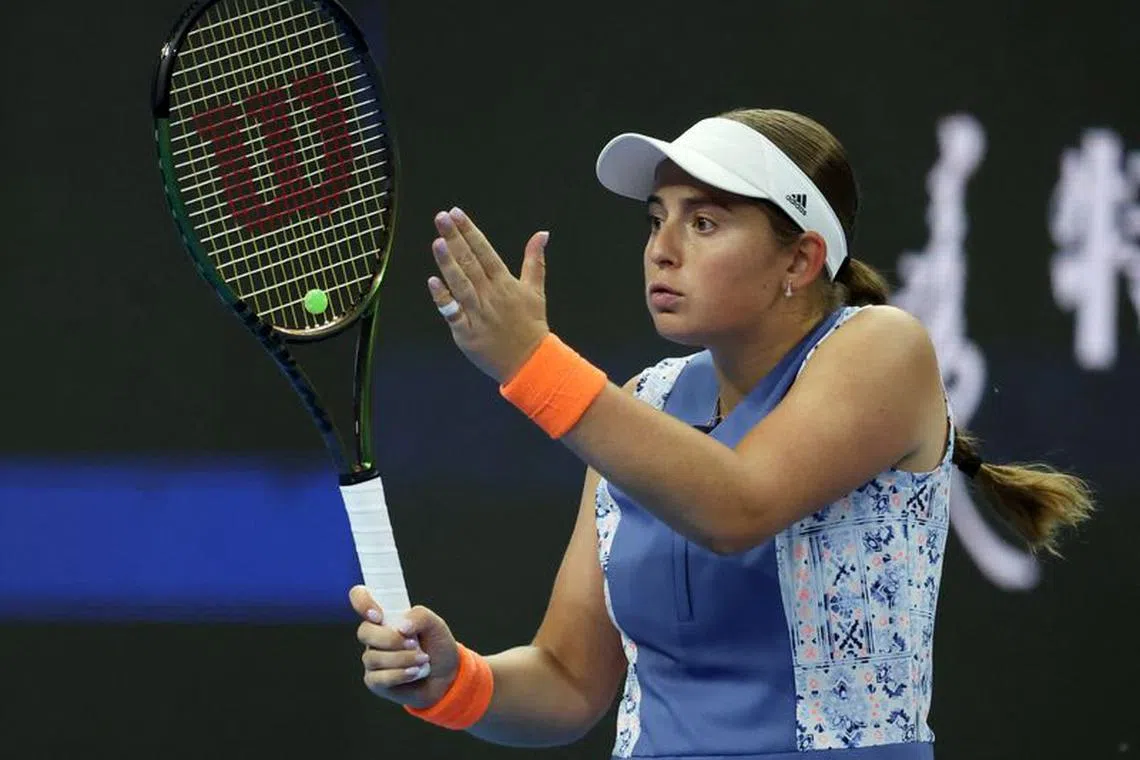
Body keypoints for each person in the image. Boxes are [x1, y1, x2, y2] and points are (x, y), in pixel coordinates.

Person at [349, 109, 1094, 759]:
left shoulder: (883, 350)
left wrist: (534, 366)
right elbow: (569, 682)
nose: (661, 248)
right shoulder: (644, 401)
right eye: (655, 219)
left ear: (800, 259)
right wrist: (457, 682)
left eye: (703, 222)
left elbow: (737, 507)